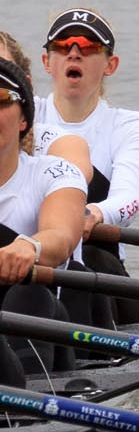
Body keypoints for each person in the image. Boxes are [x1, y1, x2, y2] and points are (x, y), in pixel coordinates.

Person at [37, 8, 139, 327]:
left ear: (110, 65)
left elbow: (129, 199)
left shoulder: (129, 126)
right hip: (33, 262)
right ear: (47, 62)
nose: (74, 52)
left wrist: (95, 214)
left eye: (88, 47)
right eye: (62, 45)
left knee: (86, 263)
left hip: (102, 272)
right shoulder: (20, 115)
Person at [0, 54, 90, 389]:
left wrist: (30, 245)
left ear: (24, 120)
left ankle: (28, 413)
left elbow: (61, 236)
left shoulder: (54, 173)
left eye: (0, 101)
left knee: (28, 293)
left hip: (46, 320)